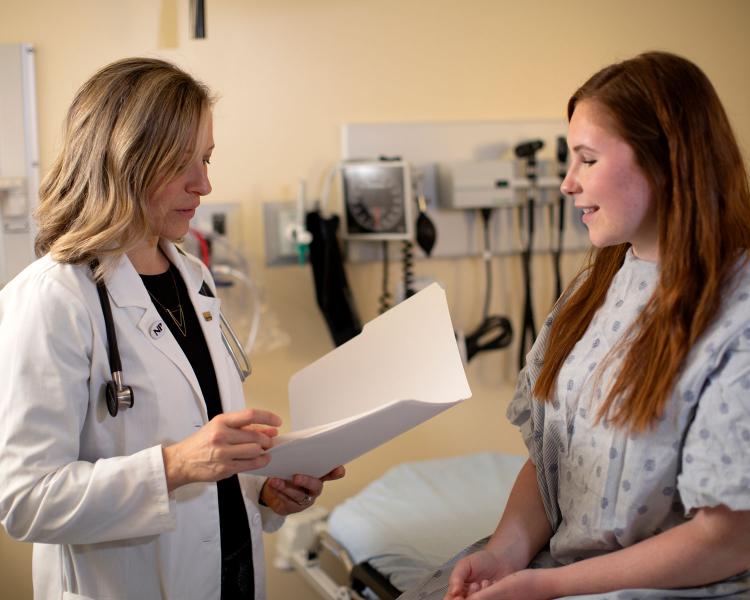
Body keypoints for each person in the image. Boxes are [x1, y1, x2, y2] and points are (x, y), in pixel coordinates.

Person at [0, 57, 344, 600]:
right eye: (182, 164)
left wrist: (263, 492)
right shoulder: (53, 298)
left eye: (206, 159)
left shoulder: (193, 275)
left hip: (228, 578)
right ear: (124, 162)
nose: (205, 184)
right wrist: (176, 464)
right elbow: (27, 500)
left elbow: (204, 443)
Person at [433, 51, 750, 599]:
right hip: (560, 571)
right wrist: (505, 554)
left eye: (587, 159)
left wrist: (549, 586)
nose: (566, 184)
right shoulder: (597, 287)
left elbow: (728, 539)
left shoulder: (734, 318)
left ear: (666, 160)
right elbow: (553, 457)